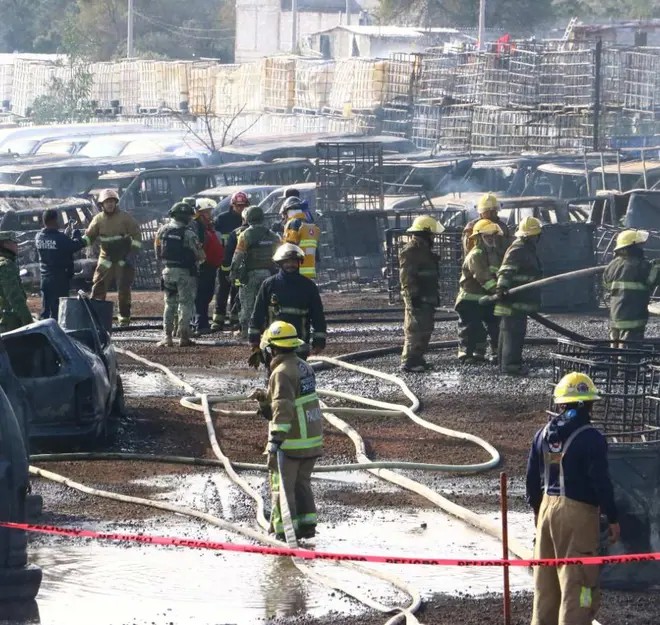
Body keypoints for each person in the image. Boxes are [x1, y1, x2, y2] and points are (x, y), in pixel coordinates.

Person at [526, 372, 620, 625]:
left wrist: (538, 513)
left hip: (546, 508)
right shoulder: (592, 437)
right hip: (578, 515)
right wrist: (612, 518)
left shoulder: (543, 434)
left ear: (561, 403)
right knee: (579, 583)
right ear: (588, 404)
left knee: (545, 584)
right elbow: (601, 482)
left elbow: (532, 479)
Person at [250, 321, 323, 541]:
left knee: (282, 487)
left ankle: (284, 532)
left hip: (291, 441)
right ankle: (307, 526)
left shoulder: (280, 372)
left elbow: (283, 408)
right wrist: (265, 401)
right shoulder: (303, 366)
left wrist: (276, 439)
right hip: (310, 439)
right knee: (302, 484)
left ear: (272, 348)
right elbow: (289, 400)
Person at [248, 243, 326, 367]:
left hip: (299, 345)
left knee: (297, 379)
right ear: (279, 263)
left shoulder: (308, 286)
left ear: (299, 262)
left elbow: (318, 316)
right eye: (287, 261)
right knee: (274, 378)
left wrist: (319, 341)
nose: (291, 265)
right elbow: (257, 314)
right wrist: (254, 341)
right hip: (274, 345)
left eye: (294, 261)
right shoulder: (269, 285)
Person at [82, 189, 141, 327]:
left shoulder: (125, 218)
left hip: (123, 258)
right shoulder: (98, 219)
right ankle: (96, 319)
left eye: (112, 201)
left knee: (124, 289)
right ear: (102, 204)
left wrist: (132, 254)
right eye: (107, 202)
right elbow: (89, 236)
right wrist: (80, 242)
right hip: (106, 258)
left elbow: (137, 236)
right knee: (98, 286)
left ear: (116, 203)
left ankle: (124, 319)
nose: (110, 204)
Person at [494, 216, 543, 375]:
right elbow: (506, 269)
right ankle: (511, 367)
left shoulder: (525, 248)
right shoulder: (519, 249)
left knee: (508, 332)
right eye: (536, 235)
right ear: (530, 236)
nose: (537, 238)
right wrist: (501, 287)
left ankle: (505, 365)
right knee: (513, 333)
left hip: (517, 300)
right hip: (512, 300)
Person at [154, 202, 205, 347]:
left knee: (169, 304)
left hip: (168, 271)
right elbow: (200, 256)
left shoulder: (161, 231)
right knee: (185, 304)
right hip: (186, 274)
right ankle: (184, 337)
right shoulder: (189, 234)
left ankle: (167, 337)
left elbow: (157, 252)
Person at [454, 219, 503, 363]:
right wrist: (497, 291)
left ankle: (492, 354)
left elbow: (497, 273)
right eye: (487, 236)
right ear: (479, 238)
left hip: (488, 298)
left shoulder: (494, 254)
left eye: (492, 236)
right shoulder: (475, 255)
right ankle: (467, 355)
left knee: (495, 326)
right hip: (470, 299)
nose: (490, 238)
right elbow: (483, 277)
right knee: (471, 328)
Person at [399, 215, 443, 373]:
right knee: (415, 328)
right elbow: (406, 276)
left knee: (425, 327)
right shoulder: (411, 250)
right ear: (425, 233)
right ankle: (409, 361)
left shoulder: (423, 249)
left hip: (427, 295)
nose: (434, 237)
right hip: (418, 296)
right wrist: (413, 295)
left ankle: (418, 358)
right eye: (432, 234)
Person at [603, 229, 660, 348]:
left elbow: (607, 286)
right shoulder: (641, 265)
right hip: (634, 319)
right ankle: (627, 366)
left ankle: (614, 366)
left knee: (614, 347)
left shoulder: (611, 266)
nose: (642, 248)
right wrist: (657, 266)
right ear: (631, 247)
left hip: (616, 317)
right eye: (639, 245)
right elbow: (653, 280)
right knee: (629, 353)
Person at [230, 206, 280, 339]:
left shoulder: (245, 234)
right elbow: (279, 255)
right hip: (269, 274)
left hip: (250, 274)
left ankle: (246, 332)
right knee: (268, 304)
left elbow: (238, 256)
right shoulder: (273, 235)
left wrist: (233, 273)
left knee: (247, 304)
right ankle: (269, 331)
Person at [35, 209, 85, 320]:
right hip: (59, 280)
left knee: (45, 311)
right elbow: (74, 246)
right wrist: (76, 235)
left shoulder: (39, 237)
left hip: (45, 279)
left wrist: (64, 235)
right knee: (59, 312)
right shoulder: (60, 238)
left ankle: (44, 334)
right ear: (54, 220)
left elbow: (55, 244)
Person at [212, 190, 249, 331]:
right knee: (222, 290)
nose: (240, 208)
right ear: (232, 205)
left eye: (243, 205)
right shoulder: (221, 220)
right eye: (238, 206)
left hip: (241, 262)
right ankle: (218, 320)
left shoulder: (247, 220)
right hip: (224, 261)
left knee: (237, 290)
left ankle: (235, 319)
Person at [191, 198, 223, 335]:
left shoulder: (205, 227)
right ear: (200, 213)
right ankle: (200, 324)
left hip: (209, 267)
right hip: (203, 267)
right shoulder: (197, 226)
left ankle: (200, 323)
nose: (210, 215)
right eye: (207, 212)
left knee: (206, 295)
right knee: (201, 296)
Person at [281, 196, 320, 280]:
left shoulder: (292, 223)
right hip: (310, 271)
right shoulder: (311, 225)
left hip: (296, 270)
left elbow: (289, 248)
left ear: (288, 211)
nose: (284, 218)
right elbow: (316, 252)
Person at [0, 232, 32, 333]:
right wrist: (28, 321)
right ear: (6, 244)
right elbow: (15, 297)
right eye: (14, 243)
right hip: (9, 321)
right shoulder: (6, 265)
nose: (17, 245)